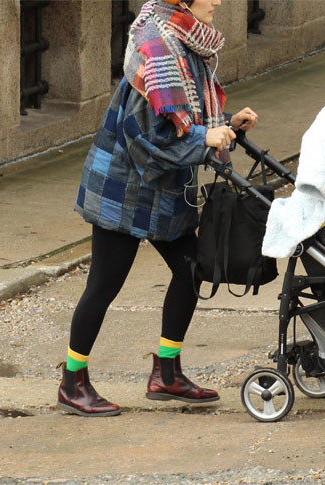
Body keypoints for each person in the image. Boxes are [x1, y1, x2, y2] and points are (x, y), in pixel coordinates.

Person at [56, 0, 258, 417]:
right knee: (104, 285)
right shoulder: (157, 51)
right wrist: (205, 137)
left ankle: (167, 374)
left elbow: (188, 117)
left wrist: (227, 127)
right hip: (123, 189)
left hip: (165, 191)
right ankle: (72, 383)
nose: (218, 2)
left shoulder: (188, 45)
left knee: (191, 270)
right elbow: (147, 139)